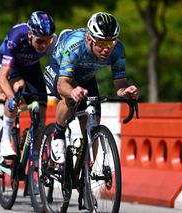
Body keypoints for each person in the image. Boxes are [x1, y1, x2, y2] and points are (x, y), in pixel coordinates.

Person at [44, 12, 139, 164]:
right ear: (89, 39)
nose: (107, 49)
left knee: (93, 122)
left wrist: (124, 91)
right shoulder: (75, 46)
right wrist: (72, 91)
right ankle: (59, 135)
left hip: (86, 77)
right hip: (59, 71)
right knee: (68, 98)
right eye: (101, 44)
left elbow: (120, 81)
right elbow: (63, 85)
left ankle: (88, 168)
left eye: (110, 43)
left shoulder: (118, 50)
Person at [0, 11, 57, 161]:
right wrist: (10, 98)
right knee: (18, 87)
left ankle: (35, 157)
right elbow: (2, 77)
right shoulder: (16, 37)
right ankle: (5, 140)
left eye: (47, 41)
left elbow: (59, 68)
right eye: (40, 41)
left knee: (41, 111)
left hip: (31, 67)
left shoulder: (53, 41)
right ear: (30, 35)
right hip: (11, 65)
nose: (44, 45)